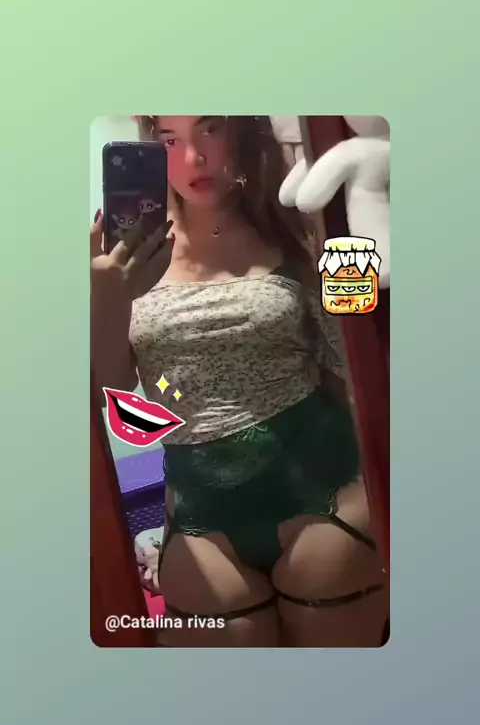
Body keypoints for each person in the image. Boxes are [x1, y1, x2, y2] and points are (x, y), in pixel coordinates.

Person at [90, 115, 387, 647]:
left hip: (325, 487)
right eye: (170, 139)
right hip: (202, 511)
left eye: (209, 129)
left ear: (239, 130)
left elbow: (353, 358)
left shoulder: (295, 221)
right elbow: (113, 388)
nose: (194, 158)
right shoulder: (125, 257)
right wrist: (106, 298)